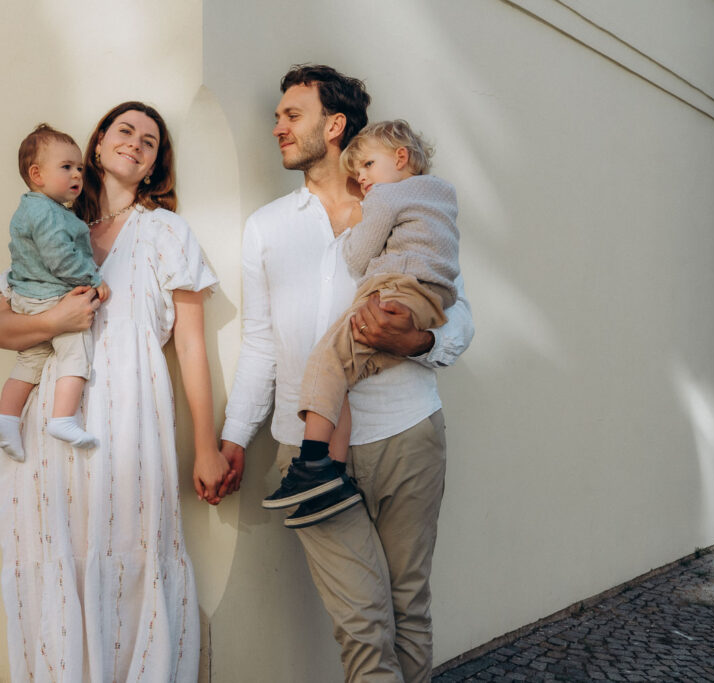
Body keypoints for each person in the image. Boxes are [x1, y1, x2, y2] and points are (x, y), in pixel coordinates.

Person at [219, 65, 474, 682]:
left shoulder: (409, 205)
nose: (276, 126)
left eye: (291, 115)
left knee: (408, 607)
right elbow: (259, 345)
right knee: (364, 625)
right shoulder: (267, 226)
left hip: (407, 434)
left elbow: (458, 314)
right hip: (306, 451)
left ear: (334, 126)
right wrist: (232, 438)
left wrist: (417, 338)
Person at [0, 101, 229, 682]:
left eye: (150, 141)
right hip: (50, 421)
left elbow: (191, 349)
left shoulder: (167, 232)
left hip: (130, 427)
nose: (136, 143)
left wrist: (205, 444)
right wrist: (57, 322)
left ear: (153, 166)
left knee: (130, 557)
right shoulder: (48, 225)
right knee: (57, 559)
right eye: (125, 131)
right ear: (96, 146)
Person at [263, 119, 460, 528]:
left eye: (369, 166)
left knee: (323, 362)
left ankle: (313, 463)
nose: (364, 179)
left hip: (393, 291)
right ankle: (332, 473)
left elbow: (357, 257)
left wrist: (357, 227)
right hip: (431, 299)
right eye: (358, 173)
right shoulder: (442, 196)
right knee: (346, 375)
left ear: (401, 158)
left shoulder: (386, 198)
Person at [0, 124, 110, 461]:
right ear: (36, 174)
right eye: (67, 167)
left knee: (31, 360)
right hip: (49, 296)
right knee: (76, 349)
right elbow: (59, 257)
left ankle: (6, 418)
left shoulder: (38, 208)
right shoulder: (45, 212)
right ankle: (62, 418)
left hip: (28, 298)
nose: (76, 174)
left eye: (79, 168)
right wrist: (92, 278)